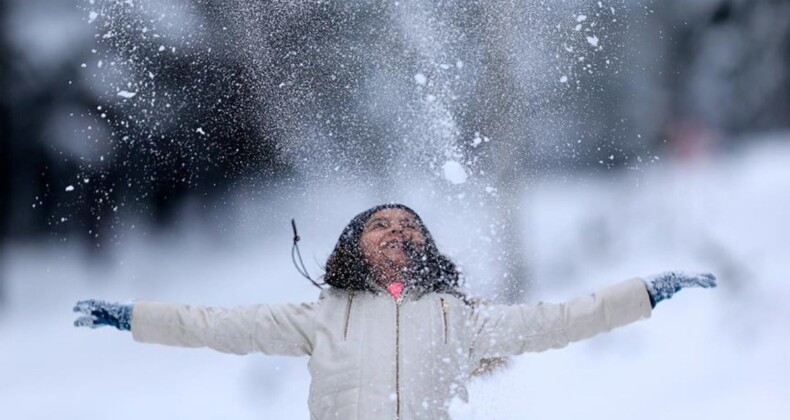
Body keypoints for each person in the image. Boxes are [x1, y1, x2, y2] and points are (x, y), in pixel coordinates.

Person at [73, 203, 716, 419]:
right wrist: (132, 317)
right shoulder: (321, 315)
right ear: (354, 246)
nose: (396, 231)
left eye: (409, 224)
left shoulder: (458, 318)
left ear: (426, 246)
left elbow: (560, 319)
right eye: (379, 224)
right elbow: (213, 325)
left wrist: (646, 293)